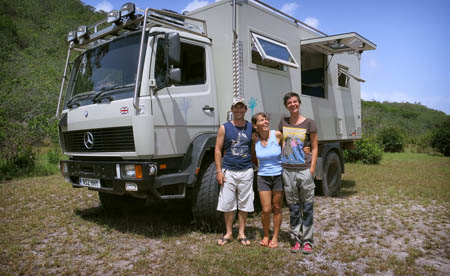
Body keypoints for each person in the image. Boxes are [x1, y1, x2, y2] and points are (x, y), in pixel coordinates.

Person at [278, 92, 318, 255]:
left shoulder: (310, 123)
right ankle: (296, 239)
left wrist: (312, 169)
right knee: (294, 208)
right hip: (288, 170)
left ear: (299, 103)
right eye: (289, 102)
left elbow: (315, 147)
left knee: (307, 207)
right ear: (286, 105)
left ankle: (307, 240)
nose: (292, 104)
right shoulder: (283, 122)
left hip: (304, 170)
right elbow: (281, 143)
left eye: (295, 102)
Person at [215, 97, 254, 246]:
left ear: (245, 109)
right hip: (229, 170)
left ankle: (242, 233)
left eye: (241, 107)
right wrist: (219, 171)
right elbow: (218, 150)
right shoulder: (224, 127)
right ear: (232, 110)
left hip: (246, 170)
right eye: (236, 107)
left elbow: (253, 147)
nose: (238, 110)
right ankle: (229, 233)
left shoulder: (250, 127)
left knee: (245, 202)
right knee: (228, 203)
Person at [251, 112, 283, 249]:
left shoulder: (277, 135)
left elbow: (289, 150)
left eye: (266, 119)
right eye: (261, 120)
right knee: (265, 209)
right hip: (263, 176)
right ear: (255, 125)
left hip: (278, 176)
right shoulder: (255, 140)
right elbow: (253, 156)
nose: (265, 122)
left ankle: (275, 236)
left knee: (276, 207)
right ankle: (265, 234)